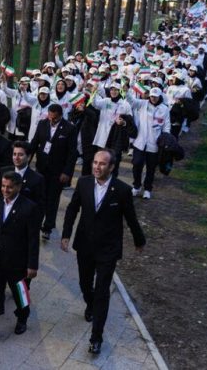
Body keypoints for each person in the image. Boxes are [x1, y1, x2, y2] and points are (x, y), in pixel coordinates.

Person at [61, 149, 146, 355]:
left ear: (111, 167)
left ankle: (96, 338)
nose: (97, 167)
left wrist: (139, 240)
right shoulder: (84, 183)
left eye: (102, 164)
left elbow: (131, 218)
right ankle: (90, 305)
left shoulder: (122, 190)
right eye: (95, 162)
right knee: (85, 284)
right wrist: (66, 234)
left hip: (108, 249)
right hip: (85, 245)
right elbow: (72, 208)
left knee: (102, 292)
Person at [0, 172, 41, 347]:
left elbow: (33, 239)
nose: (5, 190)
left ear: (18, 187)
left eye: (9, 187)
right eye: (3, 186)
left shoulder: (30, 207)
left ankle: (22, 317)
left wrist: (32, 265)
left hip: (18, 262)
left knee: (20, 294)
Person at [29, 104, 78, 240]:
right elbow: (34, 143)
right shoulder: (42, 124)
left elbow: (72, 153)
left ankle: (48, 226)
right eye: (50, 117)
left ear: (60, 116)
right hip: (41, 167)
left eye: (54, 118)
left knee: (52, 199)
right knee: (40, 197)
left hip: (58, 171)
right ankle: (36, 223)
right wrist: (26, 162)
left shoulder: (70, 128)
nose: (51, 120)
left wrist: (67, 172)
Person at [127, 87, 170, 199]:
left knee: (151, 168)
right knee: (137, 164)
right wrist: (126, 91)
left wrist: (165, 139)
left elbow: (166, 126)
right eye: (151, 96)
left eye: (155, 97)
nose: (153, 98)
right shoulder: (143, 104)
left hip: (154, 144)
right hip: (140, 142)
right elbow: (131, 101)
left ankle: (147, 189)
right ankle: (136, 186)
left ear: (159, 97)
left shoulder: (164, 109)